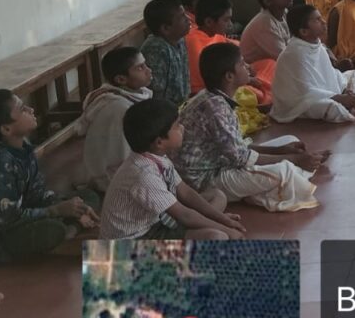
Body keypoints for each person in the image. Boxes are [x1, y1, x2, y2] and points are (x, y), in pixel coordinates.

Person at [171, 43, 326, 212]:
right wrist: (294, 159)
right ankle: (265, 188)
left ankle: (261, 187)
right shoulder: (214, 107)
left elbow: (237, 147)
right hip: (205, 181)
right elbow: (241, 158)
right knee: (284, 170)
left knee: (291, 141)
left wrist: (281, 150)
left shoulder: (213, 97)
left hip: (221, 162)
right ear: (229, 76)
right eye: (242, 64)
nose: (248, 68)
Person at [0, 90, 100, 267]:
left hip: (21, 213)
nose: (31, 109)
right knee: (50, 230)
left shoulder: (23, 146)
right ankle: (64, 235)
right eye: (22, 109)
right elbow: (4, 220)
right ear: (6, 129)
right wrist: (56, 211)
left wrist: (69, 206)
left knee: (87, 196)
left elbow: (36, 194)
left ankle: (68, 232)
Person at [99, 99, 246, 240]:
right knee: (218, 236)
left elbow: (186, 193)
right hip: (136, 238)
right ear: (159, 142)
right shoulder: (142, 175)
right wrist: (226, 229)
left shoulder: (156, 156)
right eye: (176, 126)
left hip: (157, 221)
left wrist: (223, 220)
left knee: (217, 196)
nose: (182, 128)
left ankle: (199, 227)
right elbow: (184, 215)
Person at [272, 5, 355, 124]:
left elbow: (331, 74)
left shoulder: (317, 45)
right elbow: (305, 92)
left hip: (324, 92)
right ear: (304, 31)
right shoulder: (294, 53)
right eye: (317, 20)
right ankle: (345, 104)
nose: (323, 22)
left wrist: (345, 90)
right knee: (329, 107)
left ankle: (346, 101)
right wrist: (339, 98)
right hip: (299, 104)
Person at [77, 47, 154, 191]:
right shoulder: (119, 109)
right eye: (140, 68)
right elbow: (120, 155)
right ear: (121, 79)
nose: (148, 70)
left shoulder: (133, 94)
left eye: (146, 65)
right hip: (111, 178)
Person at [186, 0, 273, 104]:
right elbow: (210, 79)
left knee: (269, 63)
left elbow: (233, 55)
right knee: (259, 94)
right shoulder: (193, 42)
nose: (230, 25)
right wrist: (248, 79)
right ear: (209, 22)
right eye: (226, 20)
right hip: (212, 89)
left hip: (232, 75)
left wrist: (245, 67)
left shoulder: (216, 34)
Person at [139, 0, 192, 104]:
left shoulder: (179, 39)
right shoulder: (156, 48)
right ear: (166, 28)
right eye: (182, 17)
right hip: (163, 112)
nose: (188, 19)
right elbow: (156, 92)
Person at [241, 0, 293, 64]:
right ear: (268, 1)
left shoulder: (284, 13)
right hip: (255, 69)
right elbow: (284, 57)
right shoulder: (264, 23)